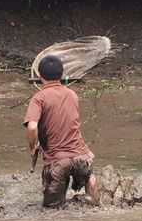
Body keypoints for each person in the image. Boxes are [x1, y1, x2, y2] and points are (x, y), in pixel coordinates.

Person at [24, 54, 100, 208]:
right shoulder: (72, 94)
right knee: (90, 176)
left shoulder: (39, 98)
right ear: (61, 74)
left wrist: (32, 148)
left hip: (58, 161)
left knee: (51, 210)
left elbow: (32, 127)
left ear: (39, 75)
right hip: (81, 157)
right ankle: (95, 200)